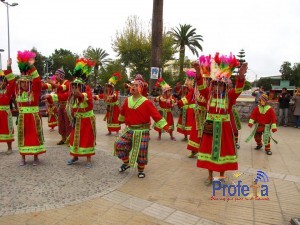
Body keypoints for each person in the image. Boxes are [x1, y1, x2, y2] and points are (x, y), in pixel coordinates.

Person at [195, 52, 247, 184]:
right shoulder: (208, 94)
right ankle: (210, 176)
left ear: (224, 86)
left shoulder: (229, 96)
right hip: (210, 126)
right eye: (216, 84)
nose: (218, 86)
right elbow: (200, 86)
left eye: (221, 85)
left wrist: (240, 76)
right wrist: (197, 72)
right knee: (208, 150)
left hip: (224, 128)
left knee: (223, 151)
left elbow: (238, 89)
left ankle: (221, 175)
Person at [115, 77, 170, 178]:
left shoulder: (146, 102)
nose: (133, 87)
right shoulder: (128, 100)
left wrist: (165, 126)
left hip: (142, 130)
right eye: (132, 85)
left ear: (141, 88)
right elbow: (123, 112)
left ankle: (141, 170)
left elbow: (155, 114)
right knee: (119, 144)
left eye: (136, 86)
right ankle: (126, 163)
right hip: (130, 129)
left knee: (142, 150)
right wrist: (119, 121)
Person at [16, 50, 46, 166]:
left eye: (25, 83)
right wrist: (8, 67)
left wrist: (31, 66)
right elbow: (11, 81)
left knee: (35, 136)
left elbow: (37, 80)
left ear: (29, 83)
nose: (23, 84)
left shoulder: (34, 91)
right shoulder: (18, 93)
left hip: (33, 117)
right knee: (23, 136)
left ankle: (35, 157)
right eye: (21, 82)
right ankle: (23, 158)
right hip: (23, 117)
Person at [66, 58, 96, 168]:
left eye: (76, 86)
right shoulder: (72, 95)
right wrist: (50, 96)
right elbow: (64, 97)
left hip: (87, 120)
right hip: (77, 120)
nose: (74, 88)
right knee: (75, 138)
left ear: (80, 86)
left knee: (87, 139)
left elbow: (88, 97)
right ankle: (75, 156)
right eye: (73, 86)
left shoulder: (86, 90)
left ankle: (88, 159)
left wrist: (80, 95)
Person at [42, 68, 72, 145]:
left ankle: (70, 140)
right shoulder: (57, 82)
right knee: (61, 123)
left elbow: (61, 88)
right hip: (60, 106)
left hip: (67, 106)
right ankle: (63, 139)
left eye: (57, 75)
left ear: (61, 76)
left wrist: (52, 86)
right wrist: (40, 84)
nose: (55, 77)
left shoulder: (67, 83)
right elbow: (47, 86)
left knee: (68, 123)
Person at [0, 59, 16, 155]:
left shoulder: (8, 90)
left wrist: (8, 66)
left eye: (2, 80)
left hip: (5, 113)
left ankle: (9, 147)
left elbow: (13, 81)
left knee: (7, 129)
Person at [176, 71, 196, 141]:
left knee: (190, 124)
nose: (184, 88)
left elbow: (187, 99)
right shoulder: (185, 91)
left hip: (190, 110)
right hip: (185, 109)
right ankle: (185, 137)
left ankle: (191, 138)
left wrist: (178, 102)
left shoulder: (192, 91)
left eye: (185, 87)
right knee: (184, 124)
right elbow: (181, 96)